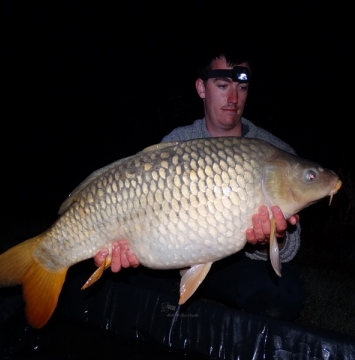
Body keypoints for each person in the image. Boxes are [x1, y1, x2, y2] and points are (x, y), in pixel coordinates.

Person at [93, 48, 305, 320]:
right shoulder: (176, 142)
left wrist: (274, 238)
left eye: (242, 87)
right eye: (222, 85)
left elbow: (289, 248)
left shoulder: (274, 151)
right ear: (201, 88)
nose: (233, 98)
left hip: (235, 261)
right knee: (122, 282)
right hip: (170, 254)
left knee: (285, 293)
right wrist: (126, 247)